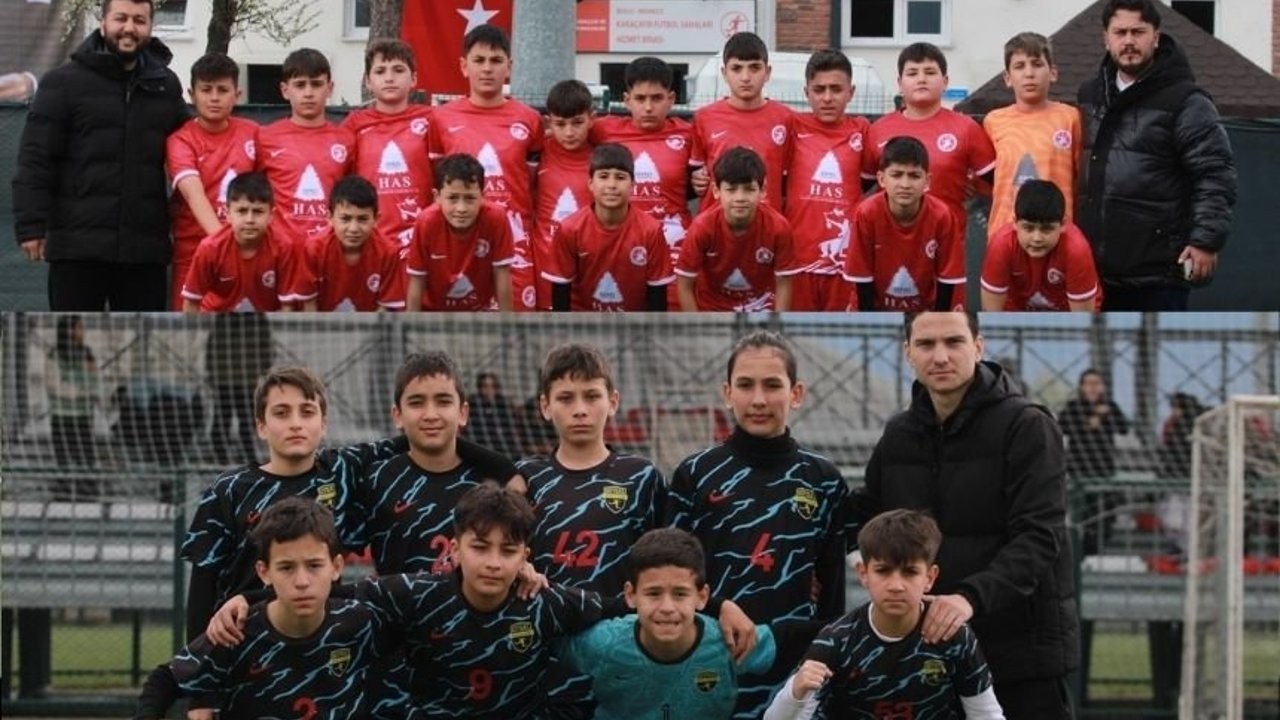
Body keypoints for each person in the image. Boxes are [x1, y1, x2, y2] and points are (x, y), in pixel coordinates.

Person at [208, 483, 609, 719]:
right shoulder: (417, 594)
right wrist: (248, 597)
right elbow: (325, 589)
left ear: (525, 556)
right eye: (480, 547)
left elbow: (617, 606)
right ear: (455, 549)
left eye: (508, 551)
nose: (493, 562)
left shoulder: (542, 601)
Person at [846, 312, 1077, 719]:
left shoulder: (1027, 426)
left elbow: (1040, 536)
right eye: (926, 344)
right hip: (930, 655)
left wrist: (969, 598)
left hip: (1019, 653)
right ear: (907, 353)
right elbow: (866, 514)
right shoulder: (899, 434)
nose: (940, 356)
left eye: (954, 342)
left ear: (978, 347)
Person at [668, 330, 849, 719]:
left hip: (792, 674)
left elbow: (832, 599)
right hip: (706, 663)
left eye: (772, 385)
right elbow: (670, 575)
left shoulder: (824, 480)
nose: (759, 400)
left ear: (796, 394)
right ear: (727, 393)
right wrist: (717, 607)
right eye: (746, 385)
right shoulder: (695, 474)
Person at [180, 365, 408, 642]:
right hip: (244, 643)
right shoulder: (229, 490)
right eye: (281, 413)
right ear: (261, 427)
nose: (296, 423)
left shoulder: (340, 471)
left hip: (319, 645)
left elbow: (416, 439)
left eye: (307, 412)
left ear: (323, 424)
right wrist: (197, 657)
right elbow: (202, 586)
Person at [133, 498, 394, 719]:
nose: (302, 581)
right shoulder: (237, 632)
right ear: (264, 572)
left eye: (314, 565)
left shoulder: (362, 623)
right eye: (286, 567)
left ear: (336, 567)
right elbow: (166, 679)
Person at [13, 0, 188, 311]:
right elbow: (36, 159)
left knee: (142, 342)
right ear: (103, 23)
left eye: (139, 20)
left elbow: (189, 156)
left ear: (150, 27)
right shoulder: (62, 83)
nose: (129, 28)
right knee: (71, 337)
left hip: (144, 254)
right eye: (121, 18)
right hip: (76, 250)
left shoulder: (166, 86)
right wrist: (31, 225)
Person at [556, 527, 821, 720]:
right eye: (653, 593)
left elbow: (789, 639)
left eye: (680, 594)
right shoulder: (603, 643)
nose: (667, 607)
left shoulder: (728, 641)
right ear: (630, 595)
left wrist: (847, 625)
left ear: (702, 596)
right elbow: (543, 638)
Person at [764, 509, 1004, 720]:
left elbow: (986, 714)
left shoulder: (952, 634)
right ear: (863, 573)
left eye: (910, 572)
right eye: (883, 571)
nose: (896, 586)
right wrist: (795, 693)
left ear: (930, 577)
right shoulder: (836, 640)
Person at [1077, 0, 1236, 310]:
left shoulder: (1187, 101)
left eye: (1138, 32)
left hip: (1158, 277)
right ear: (1106, 38)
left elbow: (1215, 173)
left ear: (1156, 37)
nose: (1129, 41)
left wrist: (1205, 241)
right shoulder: (1088, 95)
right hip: (1093, 273)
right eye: (1120, 32)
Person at [428, 24, 543, 311]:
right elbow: (436, 182)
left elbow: (532, 184)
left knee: (516, 327)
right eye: (479, 60)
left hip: (514, 241)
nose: (487, 69)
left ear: (509, 66)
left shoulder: (530, 119)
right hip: (459, 243)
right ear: (464, 66)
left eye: (496, 60)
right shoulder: (441, 118)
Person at [862, 43, 996, 241]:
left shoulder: (966, 128)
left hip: (947, 244)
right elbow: (858, 188)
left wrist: (973, 184)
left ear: (945, 81)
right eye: (912, 73)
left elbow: (999, 182)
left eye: (930, 72)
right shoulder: (877, 130)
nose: (921, 79)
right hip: (888, 242)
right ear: (900, 83)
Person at [589, 56, 694, 303]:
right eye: (640, 98)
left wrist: (702, 177)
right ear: (627, 100)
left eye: (656, 98)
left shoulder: (689, 134)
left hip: (672, 245)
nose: (648, 107)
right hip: (618, 244)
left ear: (671, 98)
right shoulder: (603, 130)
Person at [166, 52, 259, 310]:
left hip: (248, 254)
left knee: (245, 332)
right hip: (195, 255)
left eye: (223, 90)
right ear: (192, 94)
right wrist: (225, 243)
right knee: (191, 333)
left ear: (237, 95)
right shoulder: (180, 140)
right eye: (206, 90)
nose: (214, 97)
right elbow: (194, 195)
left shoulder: (253, 133)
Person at [784, 49, 872, 312]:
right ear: (806, 92)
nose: (827, 98)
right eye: (819, 89)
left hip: (845, 264)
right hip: (797, 261)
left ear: (851, 92)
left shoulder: (862, 130)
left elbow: (882, 174)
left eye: (836, 89)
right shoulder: (792, 127)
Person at [543, 143, 673, 311]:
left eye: (620, 177)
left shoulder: (651, 230)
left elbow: (657, 297)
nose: (612, 185)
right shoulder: (570, 229)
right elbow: (560, 295)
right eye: (603, 176)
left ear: (633, 185)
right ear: (590, 183)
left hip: (634, 323)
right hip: (583, 322)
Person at [844, 136, 964, 311]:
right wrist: (870, 321)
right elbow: (862, 276)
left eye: (914, 176)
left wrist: (937, 320)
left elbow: (947, 278)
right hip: (874, 307)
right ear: (881, 179)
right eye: (896, 175)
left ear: (927, 181)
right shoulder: (866, 213)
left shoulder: (942, 216)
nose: (905, 184)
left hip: (925, 310)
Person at [982, 32, 1081, 239]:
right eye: (1020, 66)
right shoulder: (993, 121)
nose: (1029, 73)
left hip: (1056, 233)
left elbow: (1083, 179)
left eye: (1037, 64)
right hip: (1005, 233)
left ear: (1053, 73)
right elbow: (981, 180)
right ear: (1007, 78)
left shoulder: (1070, 118)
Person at [676, 147, 800, 312]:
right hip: (712, 310)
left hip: (761, 308)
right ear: (716, 191)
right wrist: (697, 325)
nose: (740, 198)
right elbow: (684, 284)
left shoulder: (779, 228)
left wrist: (777, 323)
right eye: (731, 189)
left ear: (763, 191)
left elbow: (784, 283)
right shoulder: (702, 228)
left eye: (749, 189)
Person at [342, 39, 434, 253]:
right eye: (380, 71)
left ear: (414, 78)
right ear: (367, 81)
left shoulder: (432, 120)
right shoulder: (353, 125)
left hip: (421, 241)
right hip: (370, 242)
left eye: (398, 70)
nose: (389, 78)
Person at [256, 48, 355, 246]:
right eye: (300, 85)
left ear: (330, 88)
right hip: (280, 251)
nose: (308, 93)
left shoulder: (346, 140)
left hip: (330, 249)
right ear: (285, 90)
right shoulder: (265, 137)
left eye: (316, 84)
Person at [689, 31, 793, 213]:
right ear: (724, 73)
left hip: (766, 223)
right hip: (716, 223)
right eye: (736, 68)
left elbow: (789, 181)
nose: (745, 77)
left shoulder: (786, 119)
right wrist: (695, 178)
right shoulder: (704, 118)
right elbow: (695, 174)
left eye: (754, 68)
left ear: (767, 72)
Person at [405, 153, 515, 311]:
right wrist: (411, 324)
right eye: (452, 198)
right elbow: (417, 278)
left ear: (483, 196)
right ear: (437, 196)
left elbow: (502, 273)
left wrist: (508, 323)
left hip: (479, 311)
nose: (461, 208)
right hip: (433, 313)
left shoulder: (496, 219)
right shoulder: (426, 222)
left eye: (470, 198)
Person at [180, 172, 298, 313]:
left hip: (265, 322)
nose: (249, 219)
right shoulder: (210, 248)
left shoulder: (284, 247)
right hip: (217, 319)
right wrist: (198, 329)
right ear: (228, 213)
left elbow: (287, 306)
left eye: (258, 211)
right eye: (242, 211)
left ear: (271, 215)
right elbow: (191, 302)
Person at [980, 179, 1100, 312]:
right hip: (1016, 314)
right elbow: (991, 314)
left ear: (1063, 225)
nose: (1037, 238)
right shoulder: (1001, 245)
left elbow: (1082, 319)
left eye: (1046, 229)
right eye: (1028, 228)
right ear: (1015, 223)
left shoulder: (1076, 250)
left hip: (1066, 315)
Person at [291, 175, 404, 311]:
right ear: (329, 218)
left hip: (371, 323)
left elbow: (384, 309)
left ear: (376, 219)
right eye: (345, 219)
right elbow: (309, 307)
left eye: (362, 219)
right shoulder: (314, 249)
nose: (353, 228)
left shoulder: (388, 252)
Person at [534, 79, 596, 310]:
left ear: (592, 118)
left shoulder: (602, 160)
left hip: (588, 267)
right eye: (560, 124)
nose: (569, 132)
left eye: (577, 122)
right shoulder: (537, 153)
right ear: (549, 122)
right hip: (544, 268)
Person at [205, 312, 274, 466]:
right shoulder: (257, 318)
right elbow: (266, 348)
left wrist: (211, 371)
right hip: (245, 379)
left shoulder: (223, 317)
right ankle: (247, 455)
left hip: (224, 378)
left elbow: (211, 346)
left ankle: (221, 456)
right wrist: (264, 371)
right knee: (245, 419)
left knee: (223, 418)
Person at [46, 315, 99, 500]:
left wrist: (85, 386)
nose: (82, 332)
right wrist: (79, 389)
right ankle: (62, 496)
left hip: (83, 415)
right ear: (69, 331)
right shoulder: (55, 354)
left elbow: (93, 380)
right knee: (63, 459)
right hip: (61, 416)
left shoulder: (86, 352)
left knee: (86, 458)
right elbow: (54, 385)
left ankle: (88, 496)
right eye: (79, 328)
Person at [466, 371, 525, 460]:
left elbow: (508, 431)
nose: (489, 390)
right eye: (485, 386)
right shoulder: (474, 404)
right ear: (480, 388)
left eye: (492, 387)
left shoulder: (503, 405)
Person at [1158, 391, 1207, 479]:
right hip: (1178, 465)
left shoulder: (1190, 422)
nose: (1173, 411)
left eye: (1177, 407)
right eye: (1173, 407)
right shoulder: (1172, 423)